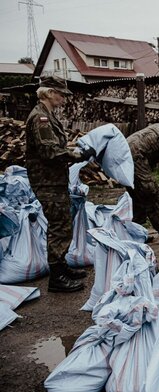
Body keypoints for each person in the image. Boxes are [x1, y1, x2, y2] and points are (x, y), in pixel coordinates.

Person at [25, 76, 95, 292]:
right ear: (48, 92)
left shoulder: (47, 115)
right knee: (59, 226)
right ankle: (57, 278)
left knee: (62, 224)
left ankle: (61, 267)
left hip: (53, 180)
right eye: (61, 94)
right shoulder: (40, 118)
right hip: (47, 181)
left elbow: (55, 145)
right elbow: (50, 151)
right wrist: (77, 155)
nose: (64, 98)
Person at [126, 123, 159, 234]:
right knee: (153, 196)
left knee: (137, 195)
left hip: (124, 153)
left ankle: (135, 233)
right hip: (136, 156)